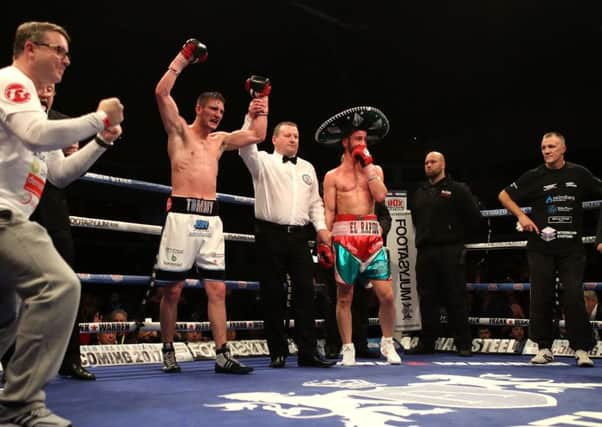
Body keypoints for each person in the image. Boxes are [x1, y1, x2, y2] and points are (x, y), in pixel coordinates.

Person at [0, 21, 123, 426]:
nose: (66, 60)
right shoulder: (10, 81)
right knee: (58, 285)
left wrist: (101, 141)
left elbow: (59, 174)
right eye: (59, 51)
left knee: (7, 316)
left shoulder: (32, 106)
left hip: (13, 215)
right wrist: (97, 118)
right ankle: (19, 406)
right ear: (31, 49)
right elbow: (36, 135)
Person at [153, 39, 268, 374]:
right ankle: (168, 350)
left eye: (221, 111)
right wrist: (183, 58)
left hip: (211, 220)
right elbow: (161, 93)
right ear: (199, 109)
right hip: (181, 217)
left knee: (217, 289)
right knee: (172, 291)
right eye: (213, 109)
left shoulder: (220, 142)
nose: (218, 115)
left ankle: (222, 353)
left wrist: (263, 98)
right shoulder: (179, 133)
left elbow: (258, 135)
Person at [0, 83, 107, 382]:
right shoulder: (13, 115)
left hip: (53, 209)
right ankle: (13, 365)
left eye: (51, 89)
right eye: (40, 87)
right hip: (16, 209)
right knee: (14, 290)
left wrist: (98, 143)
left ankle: (69, 359)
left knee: (67, 282)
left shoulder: (61, 122)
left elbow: (62, 175)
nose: (46, 91)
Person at [498, 131, 602, 367]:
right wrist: (522, 216)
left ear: (563, 149)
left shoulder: (579, 173)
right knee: (541, 296)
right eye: (544, 147)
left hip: (571, 247)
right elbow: (503, 195)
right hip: (540, 246)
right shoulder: (535, 175)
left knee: (574, 296)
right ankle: (544, 348)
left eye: (552, 146)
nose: (547, 151)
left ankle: (582, 349)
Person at [238, 119, 335, 369]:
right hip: (270, 234)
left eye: (296, 136)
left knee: (305, 292)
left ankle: (308, 352)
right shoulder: (262, 162)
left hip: (300, 236)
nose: (294, 139)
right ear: (275, 139)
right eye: (288, 135)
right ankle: (277, 352)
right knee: (273, 293)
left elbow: (315, 203)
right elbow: (244, 147)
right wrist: (252, 116)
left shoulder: (307, 167)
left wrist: (322, 228)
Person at [316, 106, 401, 366]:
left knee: (386, 295)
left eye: (365, 139)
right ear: (345, 142)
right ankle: (348, 346)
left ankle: (387, 343)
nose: (362, 143)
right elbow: (329, 210)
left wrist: (368, 166)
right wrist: (325, 241)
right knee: (345, 296)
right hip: (344, 237)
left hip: (372, 238)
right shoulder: (332, 176)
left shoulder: (374, 170)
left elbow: (380, 196)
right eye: (358, 139)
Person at [406, 151, 481, 356]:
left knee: (455, 296)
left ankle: (463, 343)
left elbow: (475, 217)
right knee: (427, 298)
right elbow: (415, 219)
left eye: (433, 161)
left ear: (443, 165)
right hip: (425, 250)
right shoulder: (419, 192)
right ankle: (427, 342)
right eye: (426, 162)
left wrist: (456, 235)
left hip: (450, 249)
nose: (429, 165)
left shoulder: (457, 189)